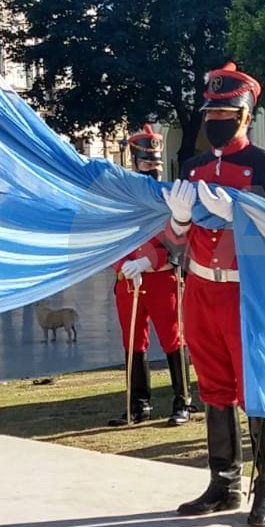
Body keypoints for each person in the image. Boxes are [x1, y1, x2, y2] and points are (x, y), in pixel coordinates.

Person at [163, 62, 265, 527]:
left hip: (249, 296)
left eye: (225, 112)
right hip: (201, 290)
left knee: (258, 392)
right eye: (210, 112)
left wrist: (242, 216)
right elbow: (176, 241)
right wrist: (179, 221)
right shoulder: (194, 167)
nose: (214, 120)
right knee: (214, 389)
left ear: (245, 115)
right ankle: (224, 483)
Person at [108, 124, 192, 427]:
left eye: (156, 164)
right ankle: (138, 405)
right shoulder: (121, 200)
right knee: (133, 342)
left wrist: (148, 260)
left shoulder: (171, 197)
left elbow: (178, 239)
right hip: (128, 280)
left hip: (161, 277)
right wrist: (122, 266)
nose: (152, 170)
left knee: (173, 338)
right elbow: (111, 238)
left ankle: (183, 401)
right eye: (146, 164)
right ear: (134, 163)